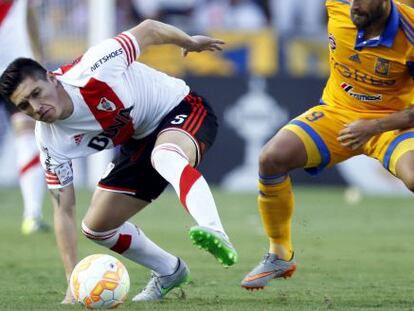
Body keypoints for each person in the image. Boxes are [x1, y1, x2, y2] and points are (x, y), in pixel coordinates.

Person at [0, 19, 238, 303]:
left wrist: (189, 42)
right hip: (139, 141)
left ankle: (215, 231)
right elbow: (64, 209)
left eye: (36, 94)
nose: (36, 109)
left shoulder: (94, 68)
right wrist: (72, 281)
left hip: (182, 108)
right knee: (97, 227)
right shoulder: (50, 139)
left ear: (52, 78)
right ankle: (169, 271)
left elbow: (148, 29)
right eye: (24, 106)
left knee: (165, 155)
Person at [241, 0, 414, 290]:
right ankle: (279, 253)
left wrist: (374, 127)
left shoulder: (409, 34)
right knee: (272, 158)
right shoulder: (339, 5)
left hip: (392, 122)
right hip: (338, 114)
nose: (355, 5)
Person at [0, 0, 48, 235]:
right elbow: (31, 16)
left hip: (16, 67)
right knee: (26, 132)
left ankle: (32, 213)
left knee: (27, 131)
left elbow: (30, 15)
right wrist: (38, 55)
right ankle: (32, 215)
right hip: (16, 66)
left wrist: (38, 56)